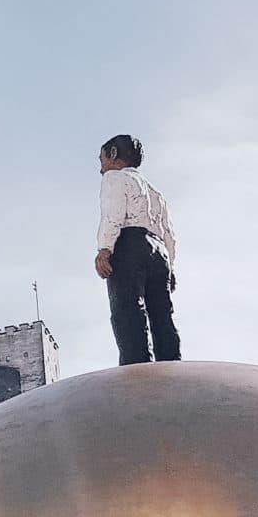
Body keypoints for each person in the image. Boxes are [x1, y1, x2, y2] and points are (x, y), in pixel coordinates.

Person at [94, 133, 180, 365]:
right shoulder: (155, 193)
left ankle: (136, 366)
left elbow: (113, 215)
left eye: (101, 160)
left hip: (129, 243)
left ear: (113, 154)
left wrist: (104, 249)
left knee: (128, 310)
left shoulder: (115, 178)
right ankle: (171, 361)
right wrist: (170, 266)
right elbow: (169, 233)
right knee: (162, 314)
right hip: (159, 250)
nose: (101, 169)